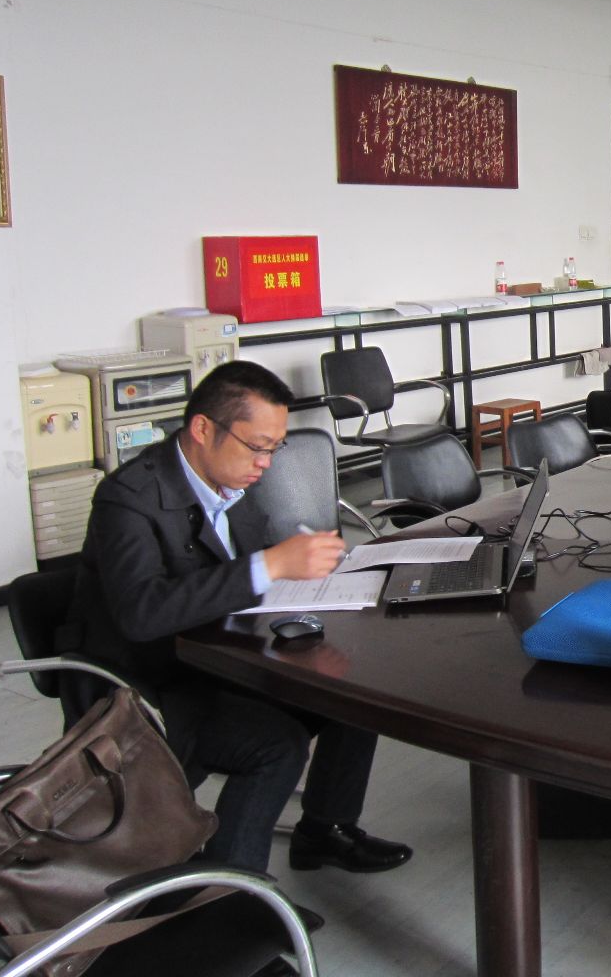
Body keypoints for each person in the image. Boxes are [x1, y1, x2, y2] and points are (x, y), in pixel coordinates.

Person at [66, 360, 412, 877]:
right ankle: (233, 897)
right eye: (257, 447)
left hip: (222, 655)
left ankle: (325, 830)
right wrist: (270, 565)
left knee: (353, 689)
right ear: (203, 429)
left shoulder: (233, 483)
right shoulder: (128, 499)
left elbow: (249, 576)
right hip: (149, 688)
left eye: (275, 448)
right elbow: (143, 614)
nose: (266, 464)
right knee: (275, 744)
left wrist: (313, 577)